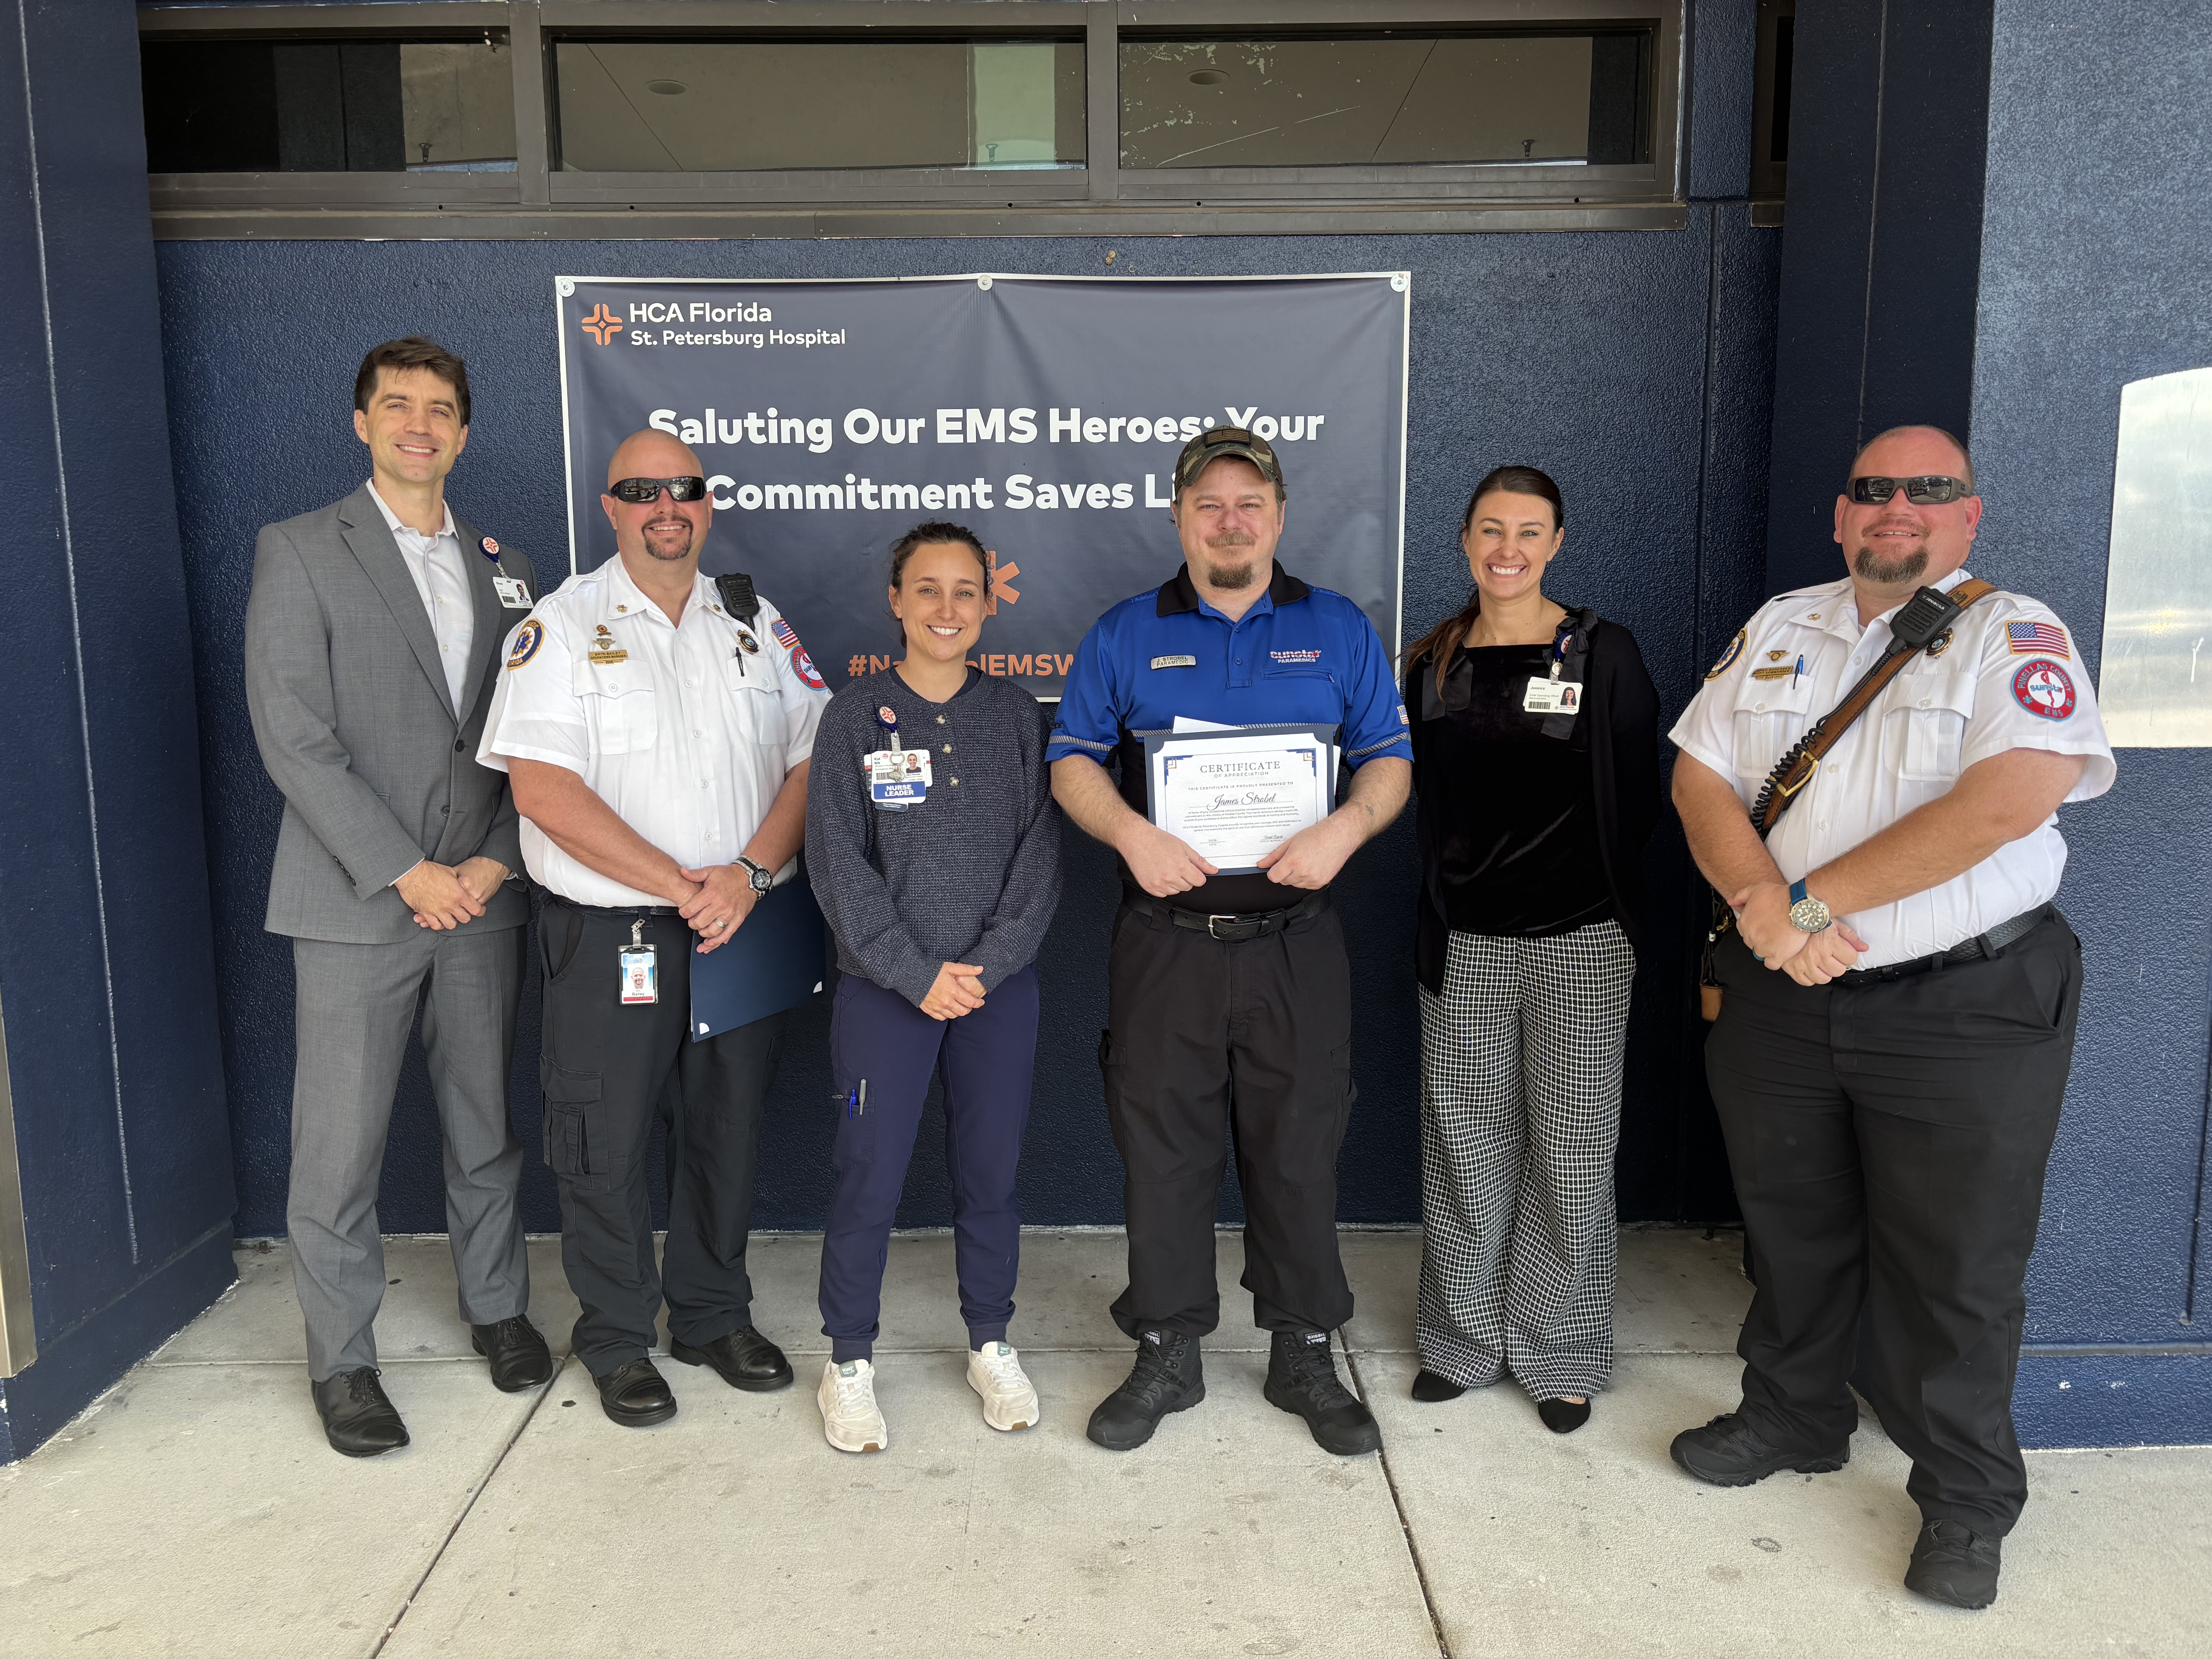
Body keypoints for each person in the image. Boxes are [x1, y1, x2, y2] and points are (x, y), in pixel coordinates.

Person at [1667, 426, 2115, 1610]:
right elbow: (1699, 776)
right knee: (1791, 1228)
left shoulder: (2014, 634)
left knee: (1956, 1262)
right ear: (1840, 513)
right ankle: (1796, 1415)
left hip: (1966, 1003)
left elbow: (2015, 796)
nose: (1897, 509)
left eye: (1930, 491)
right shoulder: (1781, 624)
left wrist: (1811, 899)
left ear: (1970, 516)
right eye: (1874, 491)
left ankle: (1967, 1498)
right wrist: (1763, 904)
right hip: (1784, 996)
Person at [1048, 426, 1412, 1457]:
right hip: (1165, 936)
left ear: (1280, 516)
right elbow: (1073, 759)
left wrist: (1347, 826)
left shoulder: (1337, 627)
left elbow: (1387, 758)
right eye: (1209, 502)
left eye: (1249, 501)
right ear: (1179, 517)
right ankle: (1168, 1346)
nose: (1230, 518)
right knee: (1163, 1150)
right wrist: (1129, 829)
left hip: (1296, 939)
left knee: (1299, 1145)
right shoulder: (1125, 632)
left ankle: (1303, 1347)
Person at [478, 428, 828, 1428]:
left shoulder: (753, 621)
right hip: (614, 932)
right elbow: (542, 788)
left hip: (741, 922)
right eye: (643, 490)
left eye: (683, 488)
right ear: (611, 504)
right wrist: (683, 883)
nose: (665, 505)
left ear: (706, 503)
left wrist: (750, 872)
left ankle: (713, 1313)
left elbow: (814, 757)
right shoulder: (558, 624)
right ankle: (619, 1335)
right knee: (603, 1140)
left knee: (729, 1129)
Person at [244, 336, 552, 1457]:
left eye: (439, 408)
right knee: (339, 1147)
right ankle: (344, 1360)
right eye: (396, 405)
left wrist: (493, 860)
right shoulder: (298, 550)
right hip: (354, 900)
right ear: (362, 423)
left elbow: (541, 743)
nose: (419, 424)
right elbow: (294, 738)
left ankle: (499, 1306)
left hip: (483, 894)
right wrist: (405, 869)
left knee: (486, 1123)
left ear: (464, 432)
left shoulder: (511, 563)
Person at [1400, 465, 1660, 1434]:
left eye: (1530, 531)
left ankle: (1559, 1353)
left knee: (1575, 1151)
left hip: (1583, 939)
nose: (1508, 549)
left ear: (1556, 543)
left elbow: (1640, 797)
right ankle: (1462, 1344)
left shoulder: (1605, 653)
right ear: (1465, 541)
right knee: (1465, 1146)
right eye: (1490, 530)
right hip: (1465, 940)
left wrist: (1586, 896)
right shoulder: (1433, 661)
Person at [804, 522, 1063, 1454]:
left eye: (966, 591)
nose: (947, 609)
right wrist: (916, 975)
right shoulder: (853, 715)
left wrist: (984, 970)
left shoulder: (1020, 716)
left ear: (990, 603)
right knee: (868, 1173)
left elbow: (1040, 859)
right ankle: (849, 1361)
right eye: (928, 590)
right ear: (897, 602)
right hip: (886, 991)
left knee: (990, 1175)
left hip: (998, 991)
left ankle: (990, 1341)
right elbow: (837, 864)